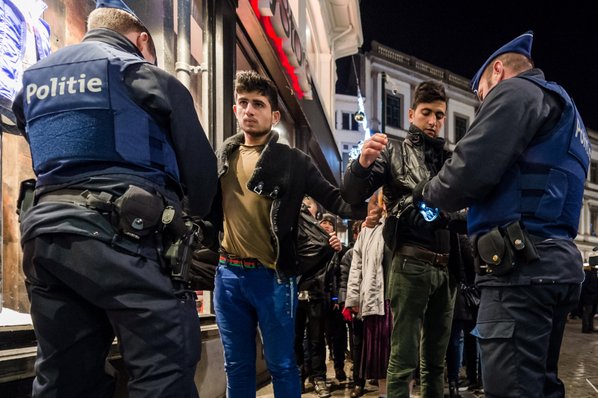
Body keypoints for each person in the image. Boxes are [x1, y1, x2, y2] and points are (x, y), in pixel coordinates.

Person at [10, 1, 218, 396]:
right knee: (164, 369)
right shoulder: (142, 74)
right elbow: (201, 173)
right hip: (127, 239)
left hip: (45, 240)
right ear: (141, 40)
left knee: (63, 375)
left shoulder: (33, 79)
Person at [417, 31, 589, 398]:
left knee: (510, 389)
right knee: (540, 386)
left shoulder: (516, 92)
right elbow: (527, 190)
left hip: (519, 272)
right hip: (554, 266)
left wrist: (425, 193)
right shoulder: (565, 110)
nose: (483, 103)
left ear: (497, 71)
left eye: (481, 94)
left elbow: (467, 173)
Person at [204, 70, 366, 398]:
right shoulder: (223, 154)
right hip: (228, 275)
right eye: (243, 103)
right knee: (236, 365)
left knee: (281, 363)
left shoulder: (294, 161)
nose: (249, 110)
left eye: (258, 104)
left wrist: (361, 169)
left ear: (274, 115)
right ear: (235, 110)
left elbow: (338, 201)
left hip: (274, 279)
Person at [341, 80, 457, 397]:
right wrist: (361, 165)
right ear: (411, 113)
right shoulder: (394, 153)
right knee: (403, 360)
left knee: (436, 364)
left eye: (439, 115)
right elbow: (351, 194)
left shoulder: (450, 160)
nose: (433, 121)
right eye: (426, 113)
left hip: (446, 268)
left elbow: (464, 211)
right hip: (410, 262)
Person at [345, 192, 392, 398]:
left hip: (401, 298)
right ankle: (383, 394)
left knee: (403, 355)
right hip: (377, 299)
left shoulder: (406, 225)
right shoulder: (369, 229)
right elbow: (356, 267)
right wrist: (353, 299)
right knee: (381, 357)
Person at [294, 203, 342, 398]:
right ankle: (298, 376)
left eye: (308, 205)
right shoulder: (291, 227)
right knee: (294, 338)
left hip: (316, 292)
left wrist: (335, 249)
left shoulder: (325, 238)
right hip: (292, 290)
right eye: (302, 205)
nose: (304, 208)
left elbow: (334, 270)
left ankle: (319, 378)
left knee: (316, 339)